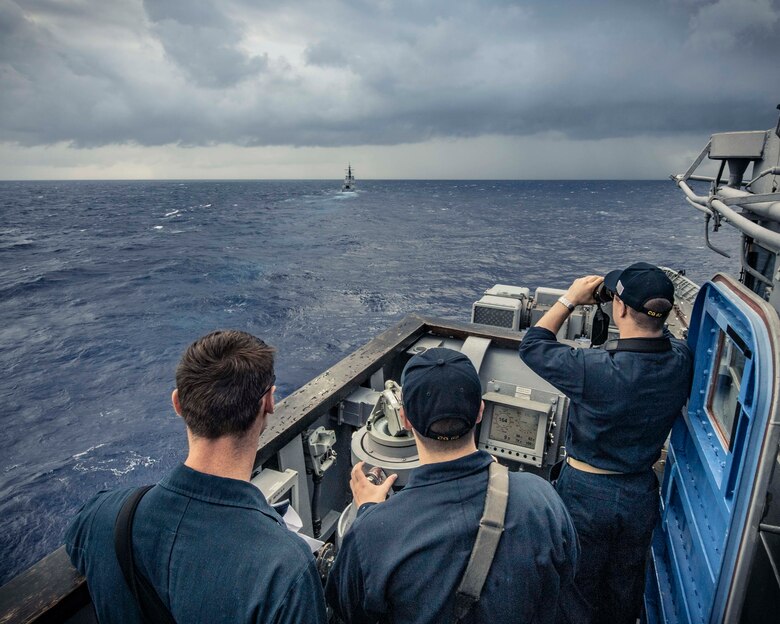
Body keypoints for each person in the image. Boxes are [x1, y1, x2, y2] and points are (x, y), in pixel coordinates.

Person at [65, 330, 327, 624]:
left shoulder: (102, 516)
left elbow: (77, 548)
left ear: (177, 403)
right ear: (268, 402)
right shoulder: (284, 567)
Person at [326, 347, 580, 624]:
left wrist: (368, 512)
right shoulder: (542, 497)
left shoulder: (372, 533)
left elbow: (347, 610)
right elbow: (567, 574)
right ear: (480, 411)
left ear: (406, 420)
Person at [518, 262, 693, 624]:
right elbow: (666, 338)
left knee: (577, 586)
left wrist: (570, 299)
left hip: (587, 492)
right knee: (624, 586)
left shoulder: (595, 368)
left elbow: (533, 346)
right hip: (640, 490)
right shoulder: (682, 361)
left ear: (621, 309)